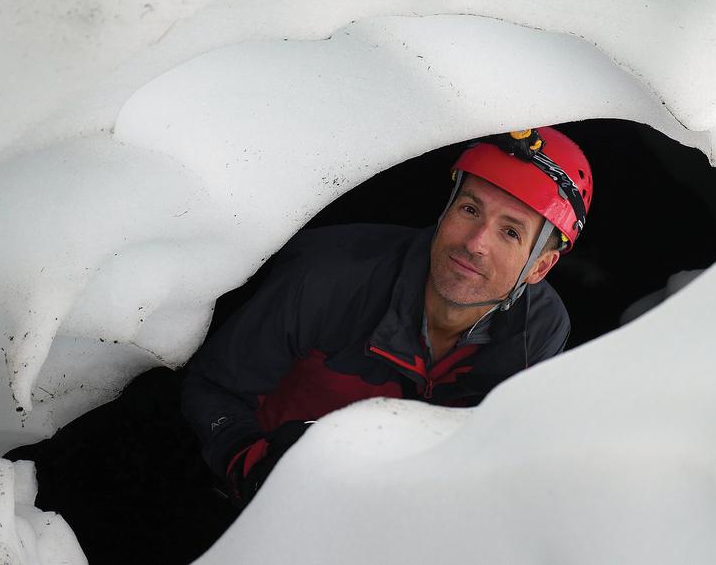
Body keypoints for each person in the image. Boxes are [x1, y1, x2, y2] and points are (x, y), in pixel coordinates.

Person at [181, 126, 593, 506]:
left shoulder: (537, 330)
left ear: (539, 268)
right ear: (445, 210)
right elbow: (212, 388)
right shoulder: (330, 279)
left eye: (510, 232)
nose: (476, 243)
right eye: (469, 209)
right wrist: (254, 465)